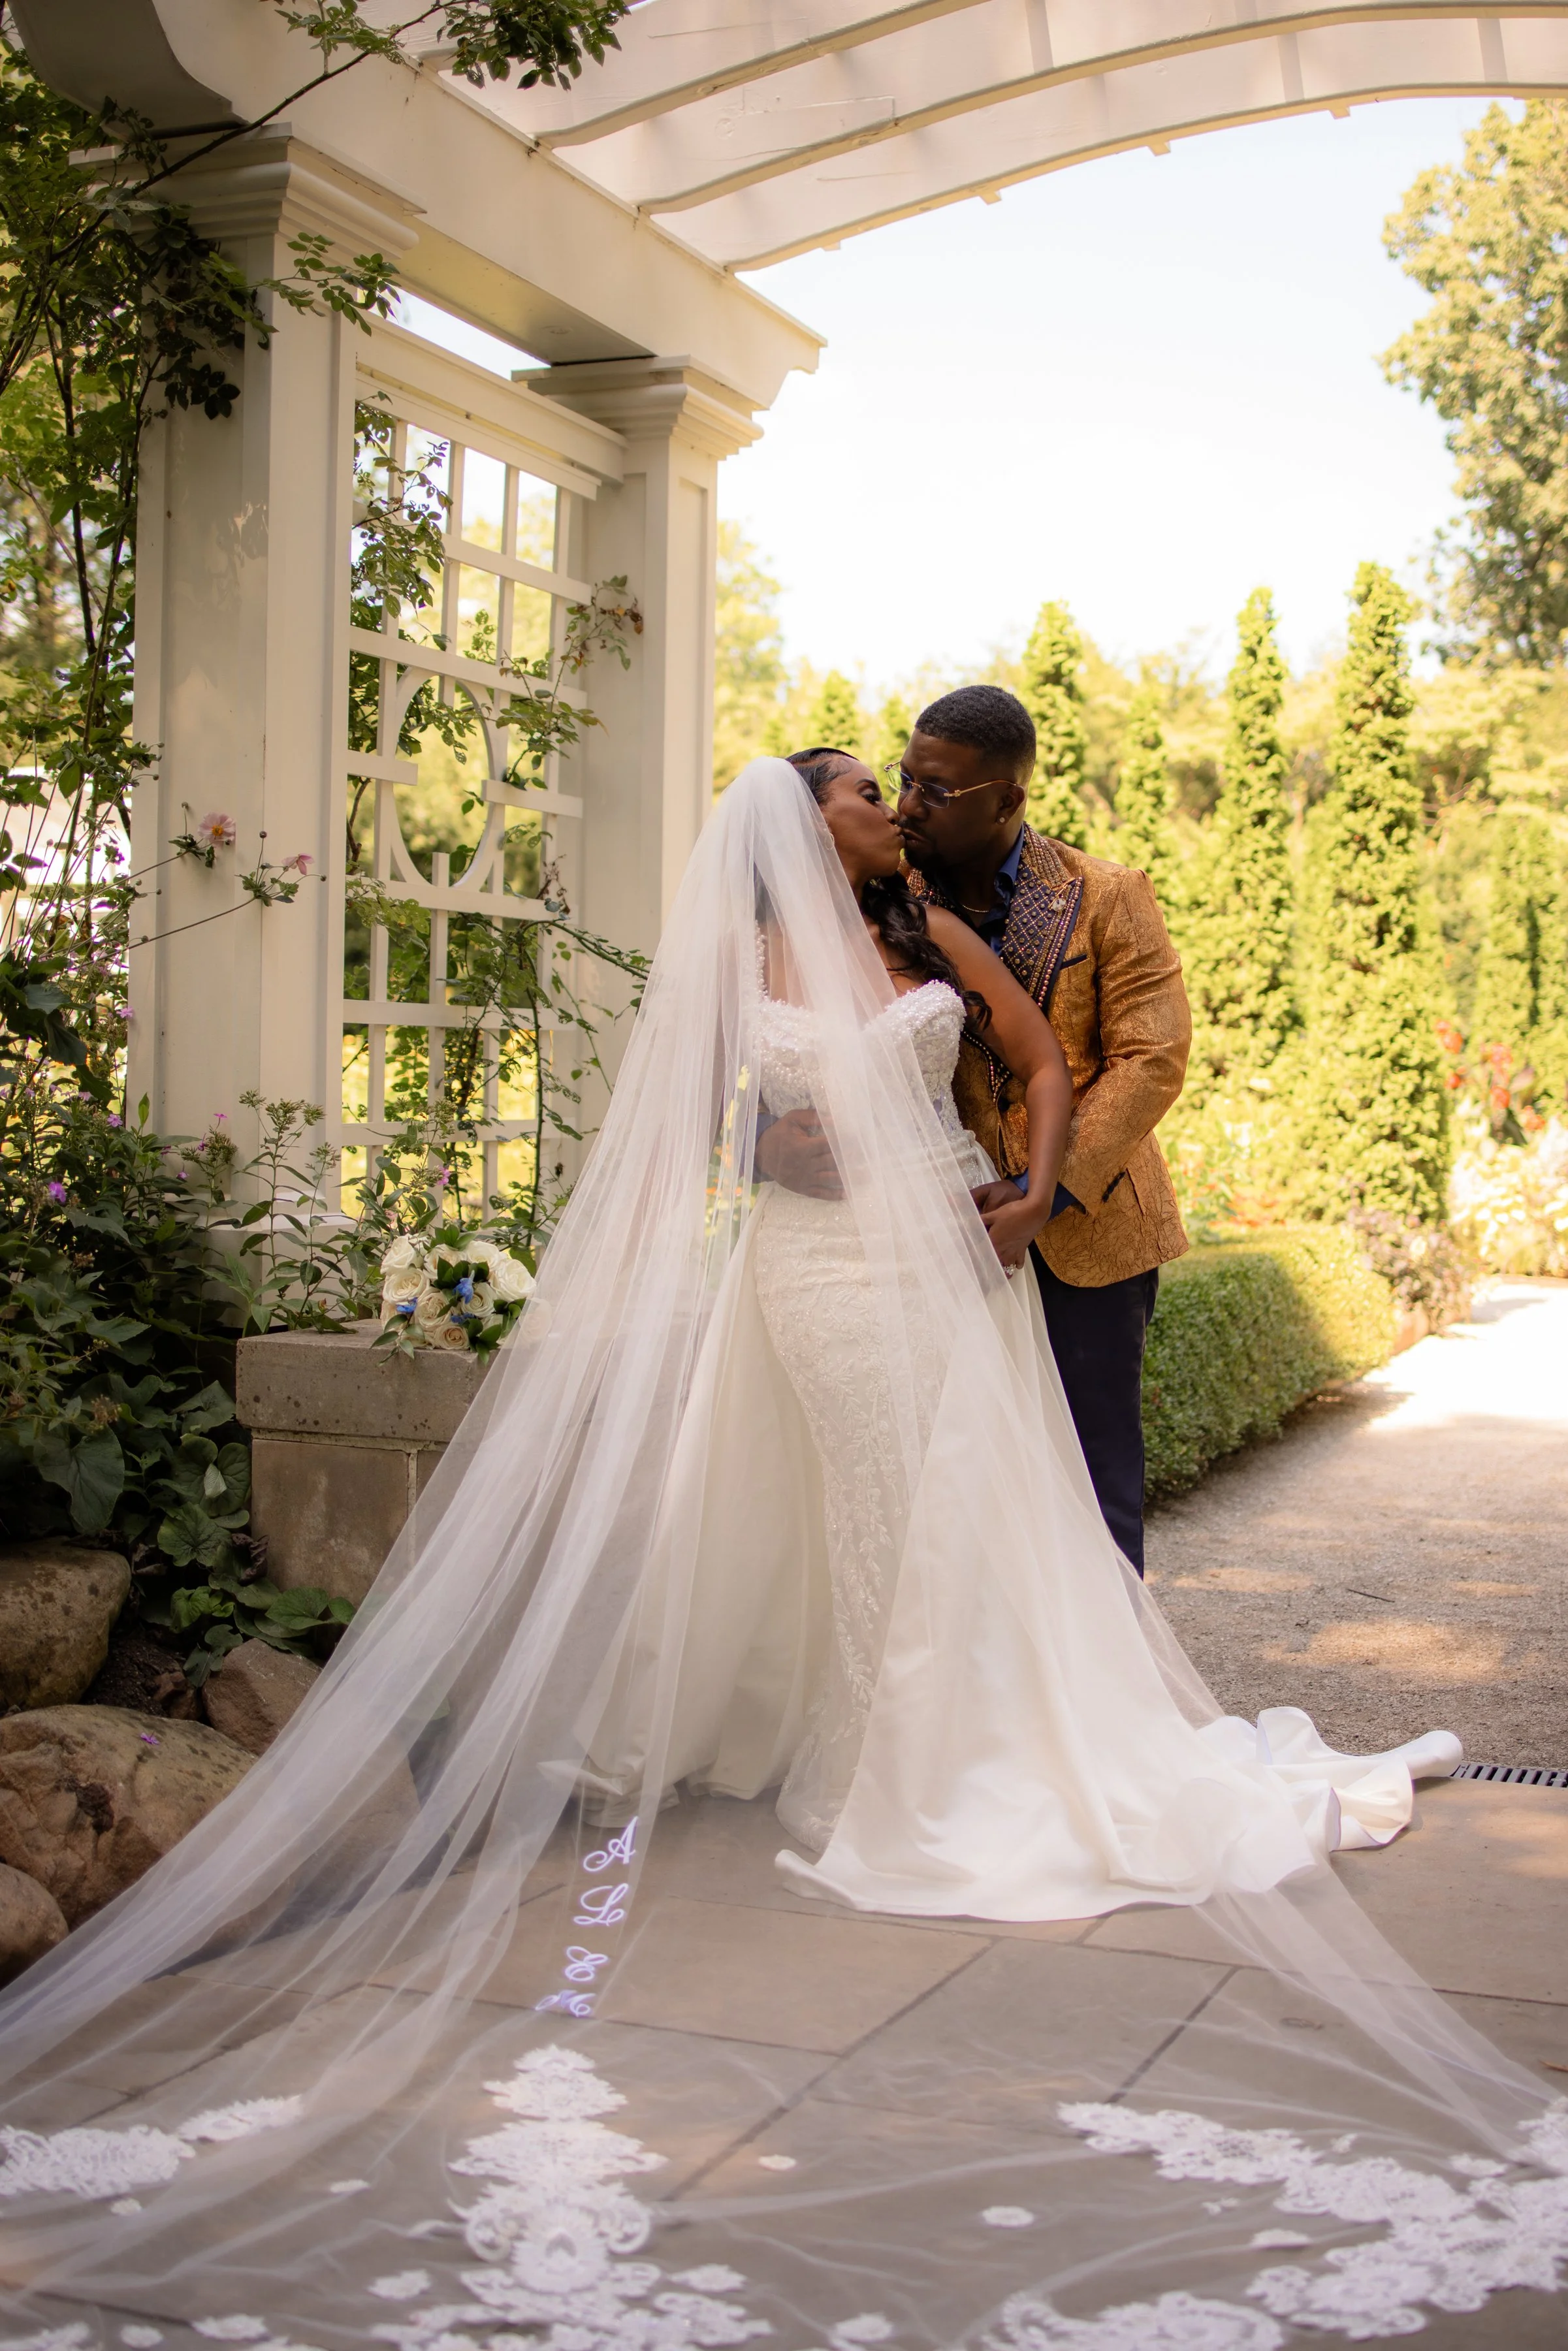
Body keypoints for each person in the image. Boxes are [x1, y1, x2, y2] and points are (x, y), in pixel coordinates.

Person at [0, 755, 1556, 2351]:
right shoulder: (737, 972)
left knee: (976, 1503)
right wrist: (774, 1157)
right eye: (869, 791)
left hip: (959, 1260)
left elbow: (1030, 1053)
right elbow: (696, 1140)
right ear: (802, 825)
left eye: (898, 788)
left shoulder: (921, 933)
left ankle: (978, 1736)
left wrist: (1024, 1190)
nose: (891, 804)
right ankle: (914, 1755)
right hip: (821, 1280)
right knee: (896, 1503)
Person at [760, 687, 1187, 1574]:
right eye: (903, 780)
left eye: (934, 792)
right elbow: (792, 1039)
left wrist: (1044, 1190)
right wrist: (765, 1143)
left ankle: (1105, 1692)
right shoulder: (875, 897)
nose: (909, 805)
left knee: (1091, 1480)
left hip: (1085, 1221)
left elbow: (1152, 1060)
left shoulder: (1107, 895)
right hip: (922, 1223)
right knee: (953, 1485)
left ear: (1006, 799)